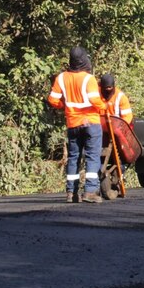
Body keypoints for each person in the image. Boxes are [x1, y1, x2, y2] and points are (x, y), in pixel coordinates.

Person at [47, 47, 106, 203]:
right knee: (92, 156)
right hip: (90, 122)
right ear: (84, 60)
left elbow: (52, 100)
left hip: (72, 123)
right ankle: (90, 191)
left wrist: (64, 106)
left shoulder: (61, 78)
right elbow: (94, 100)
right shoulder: (88, 79)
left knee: (74, 157)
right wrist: (104, 107)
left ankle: (71, 193)